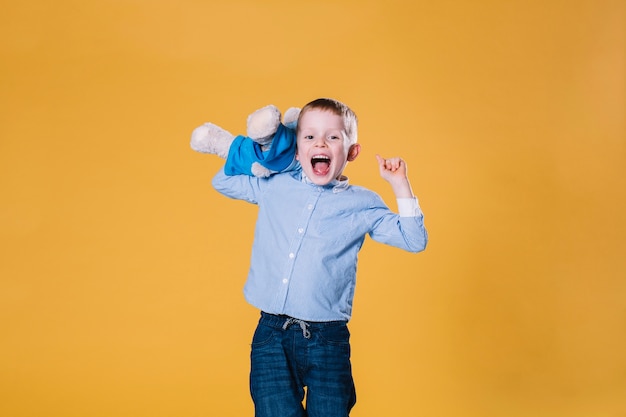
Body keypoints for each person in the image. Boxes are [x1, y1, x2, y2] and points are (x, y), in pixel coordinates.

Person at [211, 98, 428, 417]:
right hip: (272, 335)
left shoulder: (363, 203)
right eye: (309, 136)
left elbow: (414, 239)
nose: (320, 143)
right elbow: (223, 181)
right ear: (297, 149)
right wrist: (272, 156)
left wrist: (400, 185)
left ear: (352, 152)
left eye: (333, 137)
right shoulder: (275, 184)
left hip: (327, 339)